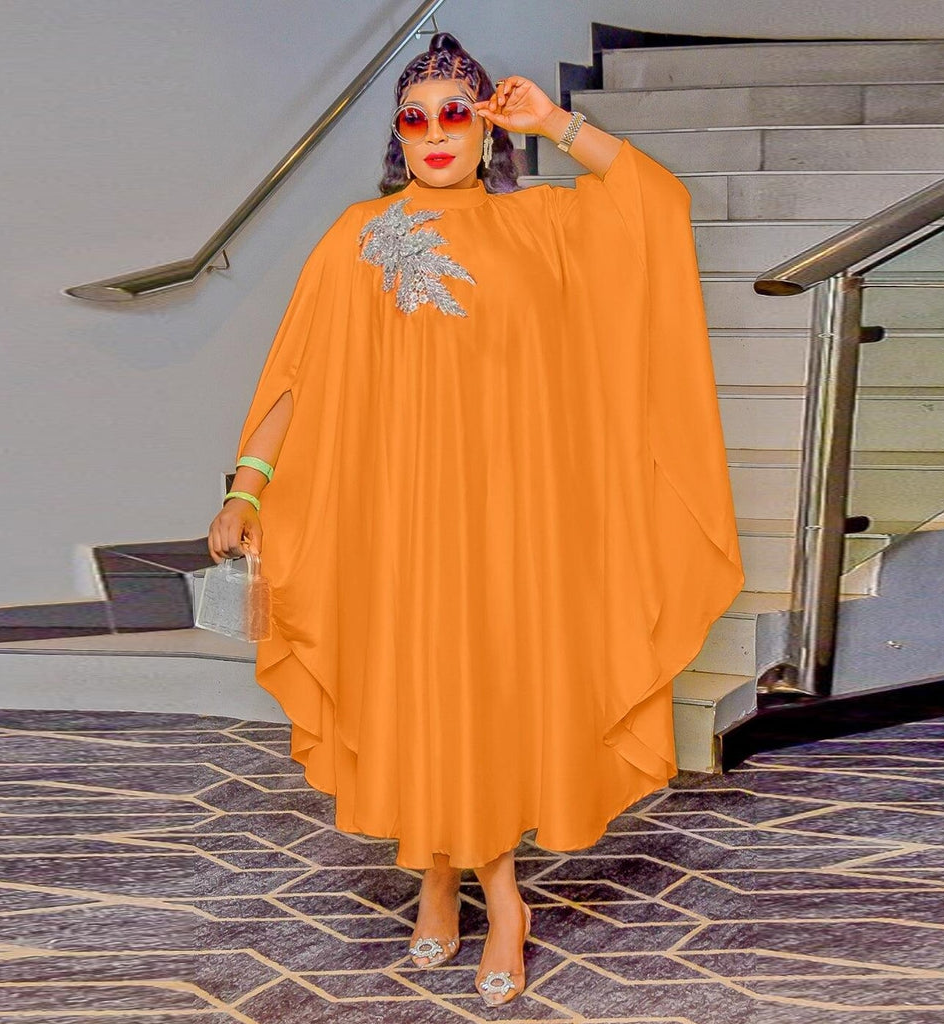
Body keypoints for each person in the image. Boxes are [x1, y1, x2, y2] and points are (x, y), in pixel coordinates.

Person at [207, 32, 743, 1009]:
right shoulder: (356, 235)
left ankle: (499, 903)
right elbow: (296, 377)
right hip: (397, 520)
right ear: (398, 137)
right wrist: (248, 485)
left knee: (483, 699)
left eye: (457, 111)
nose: (436, 132)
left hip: (510, 522)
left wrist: (556, 123)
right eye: (416, 118)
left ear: (486, 126)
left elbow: (655, 201)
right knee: (418, 694)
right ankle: (439, 881)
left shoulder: (543, 224)